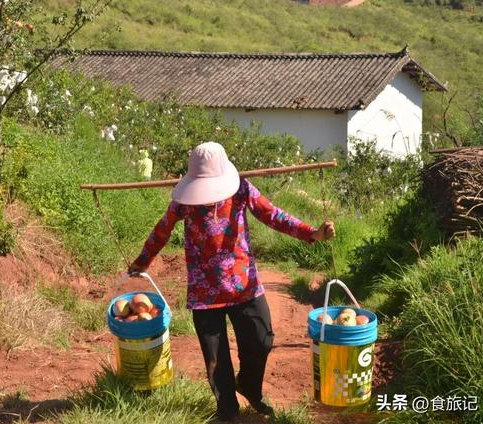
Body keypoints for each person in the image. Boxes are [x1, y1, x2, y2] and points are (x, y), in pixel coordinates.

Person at [128, 141, 335, 421]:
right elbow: (161, 232)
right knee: (215, 359)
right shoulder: (184, 202)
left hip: (244, 285)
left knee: (262, 339)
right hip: (205, 292)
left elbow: (273, 215)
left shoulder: (241, 189)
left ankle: (249, 386)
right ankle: (227, 410)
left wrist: (312, 233)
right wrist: (142, 262)